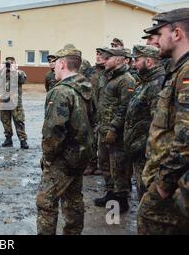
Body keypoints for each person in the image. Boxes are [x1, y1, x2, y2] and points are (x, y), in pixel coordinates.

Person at [138, 8, 189, 234]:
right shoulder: (176, 70)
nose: (154, 41)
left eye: (158, 34)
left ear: (177, 34)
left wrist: (163, 185)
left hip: (173, 185)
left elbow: (186, 138)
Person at [37, 47, 93, 235]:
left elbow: (53, 131)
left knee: (46, 203)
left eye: (55, 64)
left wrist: (47, 158)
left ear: (62, 64)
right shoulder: (86, 87)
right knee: (73, 200)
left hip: (62, 158)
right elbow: (94, 120)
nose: (53, 68)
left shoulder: (61, 91)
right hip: (80, 155)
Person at [93, 47, 136, 213]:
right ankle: (110, 193)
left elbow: (126, 107)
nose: (104, 60)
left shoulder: (127, 80)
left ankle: (121, 199)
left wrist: (114, 128)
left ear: (119, 59)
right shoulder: (108, 77)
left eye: (108, 57)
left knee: (118, 166)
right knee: (104, 163)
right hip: (103, 129)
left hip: (116, 133)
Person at [123, 45, 165, 201]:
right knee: (142, 194)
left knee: (148, 197)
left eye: (137, 60)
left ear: (148, 61)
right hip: (138, 150)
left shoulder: (157, 84)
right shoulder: (145, 82)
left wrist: (142, 146)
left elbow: (158, 123)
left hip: (145, 152)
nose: (134, 64)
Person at [0, 57, 29, 149]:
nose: (8, 66)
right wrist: (0, 69)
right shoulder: (1, 73)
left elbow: (23, 79)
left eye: (11, 64)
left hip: (15, 103)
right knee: (5, 121)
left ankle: (23, 140)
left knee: (19, 121)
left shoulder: (19, 73)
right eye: (7, 64)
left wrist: (14, 71)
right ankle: (8, 139)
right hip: (3, 102)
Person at [84, 47, 107, 176]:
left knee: (102, 141)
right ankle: (91, 164)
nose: (98, 57)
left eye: (101, 54)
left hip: (104, 112)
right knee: (90, 139)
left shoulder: (109, 72)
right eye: (97, 54)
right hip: (91, 110)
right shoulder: (90, 71)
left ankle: (102, 166)